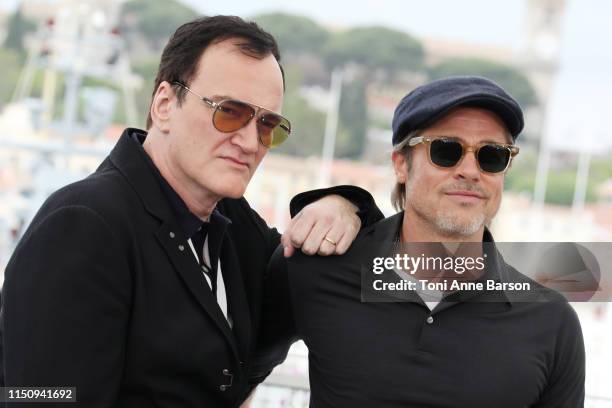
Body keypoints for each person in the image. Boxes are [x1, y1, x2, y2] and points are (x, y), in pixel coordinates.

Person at [0, 16, 382, 408]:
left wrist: (346, 204)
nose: (251, 142)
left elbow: (356, 276)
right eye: (229, 111)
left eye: (269, 125)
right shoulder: (84, 225)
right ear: (165, 104)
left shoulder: (232, 227)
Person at [253, 76, 585, 407]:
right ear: (401, 164)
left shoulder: (551, 322)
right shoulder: (316, 266)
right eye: (446, 150)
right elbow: (238, 372)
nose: (470, 171)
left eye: (491, 155)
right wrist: (344, 201)